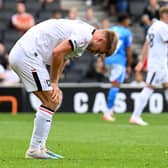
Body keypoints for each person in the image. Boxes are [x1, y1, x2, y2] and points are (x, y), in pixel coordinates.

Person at [9, 18, 118, 159]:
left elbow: (63, 57)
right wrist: (53, 82)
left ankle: (40, 147)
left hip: (28, 55)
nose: (96, 54)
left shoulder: (84, 35)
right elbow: (57, 53)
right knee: (51, 101)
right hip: (28, 55)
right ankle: (35, 149)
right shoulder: (84, 35)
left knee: (53, 100)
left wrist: (56, 83)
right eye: (99, 51)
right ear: (101, 40)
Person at [130, 6, 168, 126]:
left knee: (167, 86)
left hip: (161, 63)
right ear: (164, 15)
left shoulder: (153, 26)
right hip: (157, 64)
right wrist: (142, 61)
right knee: (149, 88)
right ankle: (135, 116)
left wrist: (142, 61)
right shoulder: (163, 27)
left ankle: (135, 116)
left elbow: (146, 44)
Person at [102, 13, 133, 121]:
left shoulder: (110, 30)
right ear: (124, 21)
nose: (129, 22)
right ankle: (108, 112)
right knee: (115, 85)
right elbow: (129, 50)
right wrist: (129, 64)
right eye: (128, 20)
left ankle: (110, 110)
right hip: (119, 61)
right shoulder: (126, 32)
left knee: (114, 84)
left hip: (108, 60)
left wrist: (102, 61)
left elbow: (103, 46)